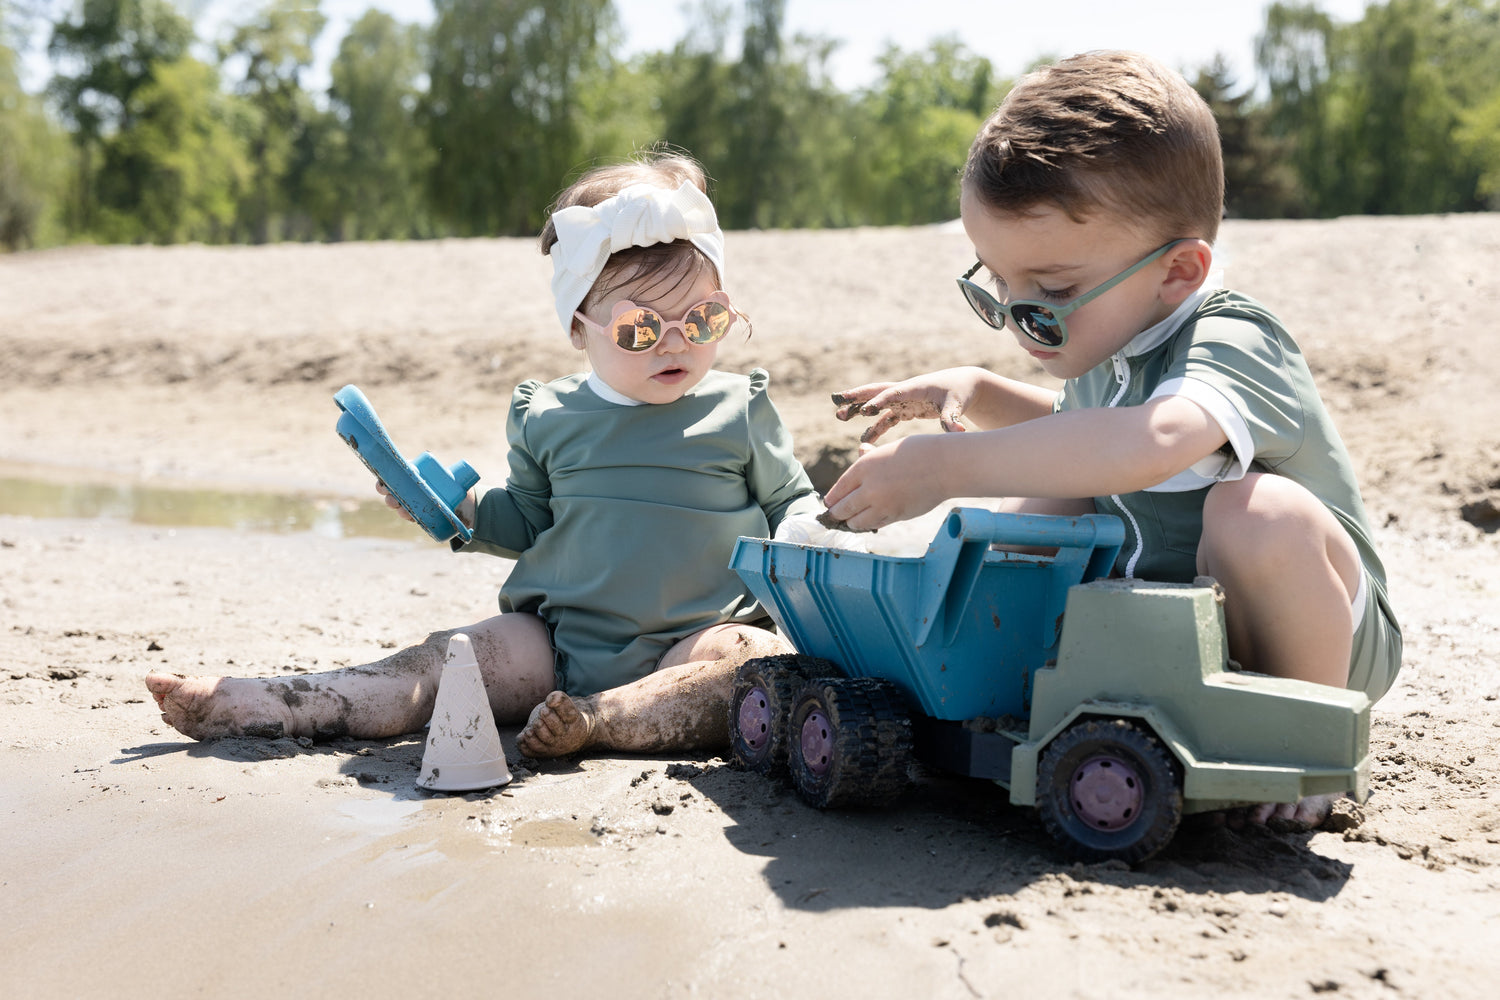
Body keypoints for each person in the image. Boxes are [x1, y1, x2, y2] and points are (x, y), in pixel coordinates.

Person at [821, 51, 1401, 830]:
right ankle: (1000, 666)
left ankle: (1309, 743)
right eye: (998, 284)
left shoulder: (1233, 336)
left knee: (1255, 511)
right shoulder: (1107, 341)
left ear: (1178, 272)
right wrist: (977, 390)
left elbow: (1153, 440)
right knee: (1058, 489)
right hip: (1179, 626)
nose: (1023, 317)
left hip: (1322, 636)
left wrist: (948, 465)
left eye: (1053, 293)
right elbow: (1079, 437)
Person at [146, 152, 833, 760]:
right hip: (557, 645)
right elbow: (528, 521)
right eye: (640, 327)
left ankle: (598, 722)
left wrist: (807, 532)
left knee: (755, 663)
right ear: (578, 325)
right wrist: (460, 509)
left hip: (695, 640)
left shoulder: (740, 407)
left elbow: (792, 502)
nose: (675, 342)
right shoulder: (550, 414)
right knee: (446, 660)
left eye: (704, 319)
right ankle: (279, 700)